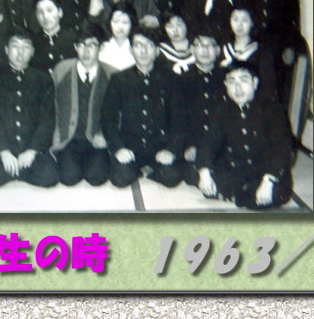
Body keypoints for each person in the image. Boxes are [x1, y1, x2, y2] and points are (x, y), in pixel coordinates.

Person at [196, 60, 294, 209]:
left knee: (266, 198)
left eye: (243, 80)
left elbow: (283, 149)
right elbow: (209, 142)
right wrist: (204, 173)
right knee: (205, 183)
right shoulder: (223, 109)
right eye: (231, 82)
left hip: (265, 173)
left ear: (255, 83)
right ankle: (239, 194)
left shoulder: (271, 109)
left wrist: (268, 182)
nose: (238, 88)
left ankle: (237, 195)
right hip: (237, 170)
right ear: (226, 85)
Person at [101, 26, 188, 188]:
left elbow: (180, 121)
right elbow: (108, 119)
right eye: (138, 45)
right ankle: (139, 171)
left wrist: (171, 150)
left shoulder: (172, 79)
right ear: (131, 50)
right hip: (130, 147)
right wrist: (119, 148)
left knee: (172, 178)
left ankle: (149, 172)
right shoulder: (119, 79)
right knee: (120, 178)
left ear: (157, 51)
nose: (143, 51)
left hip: (160, 147)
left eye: (149, 45)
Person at [0, 28, 58, 189]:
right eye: (15, 46)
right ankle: (18, 170)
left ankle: (16, 170)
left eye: (26, 47)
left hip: (30, 147)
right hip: (3, 148)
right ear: (7, 50)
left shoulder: (43, 80)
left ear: (32, 51)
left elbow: (47, 120)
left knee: (50, 177)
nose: (20, 52)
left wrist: (32, 151)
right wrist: (4, 152)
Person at [238, 0, 305, 106]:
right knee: (252, 95)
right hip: (251, 48)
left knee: (279, 96)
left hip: (278, 50)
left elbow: (293, 18)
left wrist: (290, 47)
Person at [51, 22, 114, 186]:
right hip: (69, 139)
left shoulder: (111, 74)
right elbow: (52, 107)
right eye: (81, 45)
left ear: (101, 47)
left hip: (97, 139)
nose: (86, 51)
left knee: (96, 177)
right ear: (75, 47)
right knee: (69, 178)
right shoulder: (61, 70)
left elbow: (119, 113)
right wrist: (57, 137)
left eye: (91, 45)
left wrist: (106, 137)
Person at [179, 26, 226, 175]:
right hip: (192, 145)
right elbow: (179, 119)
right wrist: (190, 144)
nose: (205, 50)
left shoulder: (228, 78)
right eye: (199, 45)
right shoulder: (182, 80)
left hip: (223, 145)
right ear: (192, 49)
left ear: (218, 50)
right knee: (192, 175)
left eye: (210, 45)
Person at [219, 7, 278, 103]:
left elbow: (268, 87)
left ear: (252, 23)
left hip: (255, 104)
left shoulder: (261, 51)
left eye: (244, 20)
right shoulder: (223, 50)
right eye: (235, 19)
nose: (239, 24)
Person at [30, 0, 77, 74]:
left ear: (60, 12)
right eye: (40, 12)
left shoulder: (73, 39)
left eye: (49, 10)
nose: (45, 16)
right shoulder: (32, 42)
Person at [98, 1, 137, 72]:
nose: (120, 27)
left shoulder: (136, 49)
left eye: (125, 22)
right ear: (110, 22)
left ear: (132, 24)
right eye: (115, 22)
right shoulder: (101, 48)